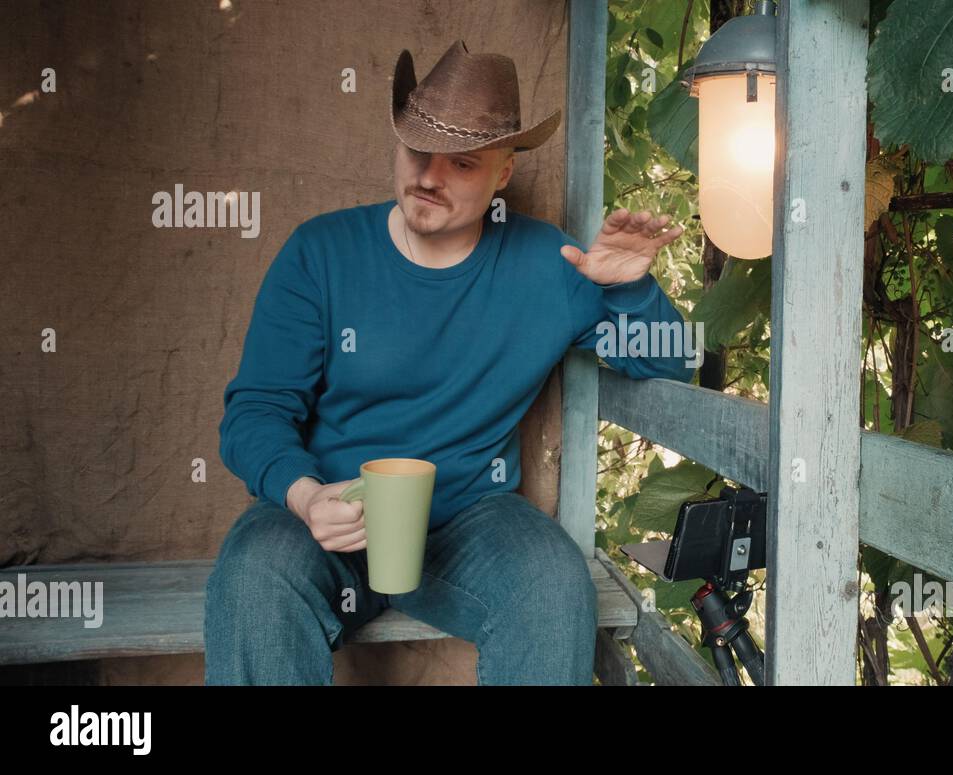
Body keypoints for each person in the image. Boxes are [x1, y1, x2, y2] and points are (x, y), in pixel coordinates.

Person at [205, 40, 696, 685]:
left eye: (461, 163)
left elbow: (673, 364)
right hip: (328, 509)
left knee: (553, 583)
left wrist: (628, 290)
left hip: (469, 519)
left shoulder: (550, 266)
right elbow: (256, 412)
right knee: (253, 576)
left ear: (503, 174)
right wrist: (304, 495)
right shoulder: (319, 253)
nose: (428, 178)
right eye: (415, 151)